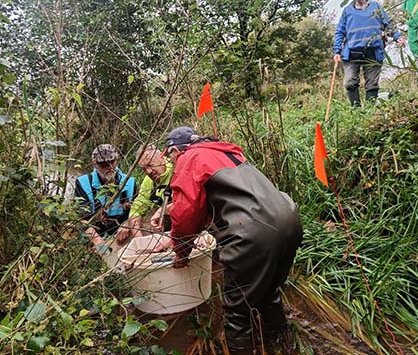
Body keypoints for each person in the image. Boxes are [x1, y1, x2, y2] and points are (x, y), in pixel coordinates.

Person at [155, 126, 303, 353]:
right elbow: (222, 202)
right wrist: (174, 239)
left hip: (253, 234)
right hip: (289, 223)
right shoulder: (228, 152)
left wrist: (181, 251)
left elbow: (187, 214)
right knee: (268, 293)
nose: (172, 163)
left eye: (170, 156)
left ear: (175, 150)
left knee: (237, 311)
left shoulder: (189, 158)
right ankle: (285, 345)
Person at [334, 0, 404, 106]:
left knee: (372, 83)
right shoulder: (347, 11)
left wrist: (396, 36)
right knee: (349, 82)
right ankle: (356, 109)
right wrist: (337, 51)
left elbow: (388, 23)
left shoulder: (375, 7)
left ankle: (370, 111)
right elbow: (340, 31)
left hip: (373, 51)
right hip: (352, 52)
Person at [74, 144, 137, 239]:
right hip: (94, 236)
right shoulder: (83, 183)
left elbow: (138, 212)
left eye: (112, 162)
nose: (110, 167)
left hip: (123, 236)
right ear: (94, 164)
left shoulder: (129, 182)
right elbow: (82, 219)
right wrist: (99, 244)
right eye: (103, 164)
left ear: (117, 160)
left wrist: (128, 223)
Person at [116, 144, 173, 244]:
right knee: (126, 230)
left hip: (184, 223)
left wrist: (163, 211)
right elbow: (136, 210)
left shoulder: (176, 169)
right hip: (159, 228)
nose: (149, 171)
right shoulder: (148, 182)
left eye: (150, 165)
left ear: (161, 158)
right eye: (144, 169)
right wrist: (140, 242)